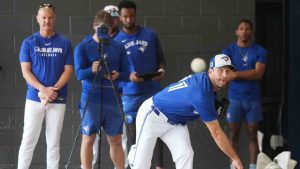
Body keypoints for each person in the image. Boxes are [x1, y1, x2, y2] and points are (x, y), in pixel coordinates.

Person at [127, 54, 243, 169]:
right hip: (152, 115)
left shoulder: (207, 81)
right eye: (220, 70)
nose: (224, 75)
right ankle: (134, 155)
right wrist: (235, 158)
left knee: (185, 154)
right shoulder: (201, 94)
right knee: (141, 165)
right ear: (210, 71)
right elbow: (216, 133)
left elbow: (228, 76)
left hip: (175, 122)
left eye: (227, 71)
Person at [18, 3, 74, 169]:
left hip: (57, 98)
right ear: (37, 19)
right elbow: (26, 72)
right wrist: (44, 90)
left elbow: (68, 70)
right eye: (43, 17)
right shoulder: (28, 42)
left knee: (53, 143)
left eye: (50, 17)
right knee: (28, 139)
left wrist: (53, 91)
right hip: (34, 98)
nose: (46, 21)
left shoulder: (64, 42)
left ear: (54, 19)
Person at [74, 10, 130, 169]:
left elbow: (127, 73)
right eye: (100, 27)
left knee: (116, 140)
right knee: (89, 138)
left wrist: (118, 75)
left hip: (113, 98)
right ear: (94, 26)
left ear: (112, 27)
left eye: (106, 27)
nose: (103, 31)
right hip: (91, 98)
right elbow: (78, 74)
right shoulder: (83, 46)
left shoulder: (118, 47)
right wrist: (91, 70)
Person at [114, 1, 166, 168]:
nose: (129, 20)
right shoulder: (116, 40)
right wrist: (129, 77)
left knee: (156, 132)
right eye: (125, 17)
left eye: (131, 16)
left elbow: (161, 61)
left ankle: (158, 166)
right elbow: (113, 71)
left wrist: (160, 71)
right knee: (133, 136)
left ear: (136, 15)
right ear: (120, 18)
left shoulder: (150, 35)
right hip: (129, 95)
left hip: (152, 92)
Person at [222, 19, 267, 169]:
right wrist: (242, 74)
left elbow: (258, 73)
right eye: (241, 28)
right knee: (233, 134)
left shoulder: (259, 50)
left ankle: (253, 167)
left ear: (251, 32)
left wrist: (236, 74)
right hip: (234, 98)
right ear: (236, 31)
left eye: (247, 29)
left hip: (253, 99)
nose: (244, 31)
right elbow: (226, 72)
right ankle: (233, 166)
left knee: (253, 134)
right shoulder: (228, 50)